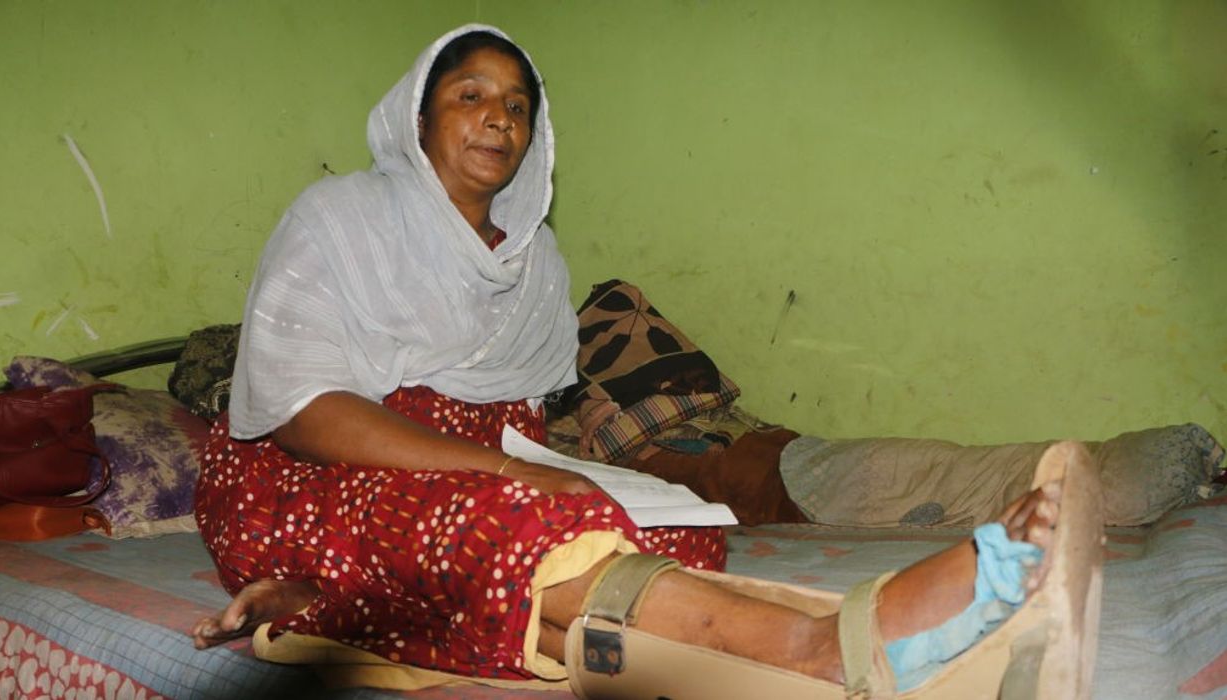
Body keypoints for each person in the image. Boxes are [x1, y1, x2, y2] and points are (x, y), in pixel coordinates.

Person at [191, 24, 1064, 696]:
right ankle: (819, 647)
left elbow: (521, 424)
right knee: (504, 523)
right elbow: (303, 410)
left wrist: (546, 473)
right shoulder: (337, 218)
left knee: (674, 520)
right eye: (469, 94)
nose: (498, 115)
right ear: (417, 117)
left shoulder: (534, 261)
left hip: (468, 464)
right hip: (317, 468)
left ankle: (337, 608)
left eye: (518, 105)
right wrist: (507, 475)